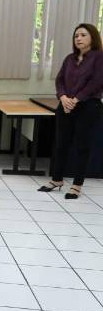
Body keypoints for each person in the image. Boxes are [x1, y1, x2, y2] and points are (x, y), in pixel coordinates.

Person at [38, 23, 103, 199]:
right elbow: (59, 81)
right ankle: (57, 179)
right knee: (61, 143)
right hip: (65, 105)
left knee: (82, 146)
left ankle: (77, 185)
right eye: (76, 36)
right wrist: (63, 97)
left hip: (88, 106)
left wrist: (77, 98)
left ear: (92, 38)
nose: (79, 38)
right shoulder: (69, 59)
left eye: (83, 35)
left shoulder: (99, 57)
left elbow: (97, 82)